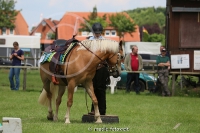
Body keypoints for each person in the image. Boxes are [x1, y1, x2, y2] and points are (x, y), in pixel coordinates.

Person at [88, 22, 110, 115]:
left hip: (102, 68)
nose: (97, 34)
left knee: (100, 88)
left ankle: (102, 110)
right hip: (93, 68)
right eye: (96, 33)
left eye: (99, 32)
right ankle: (94, 109)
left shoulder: (105, 41)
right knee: (93, 89)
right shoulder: (89, 41)